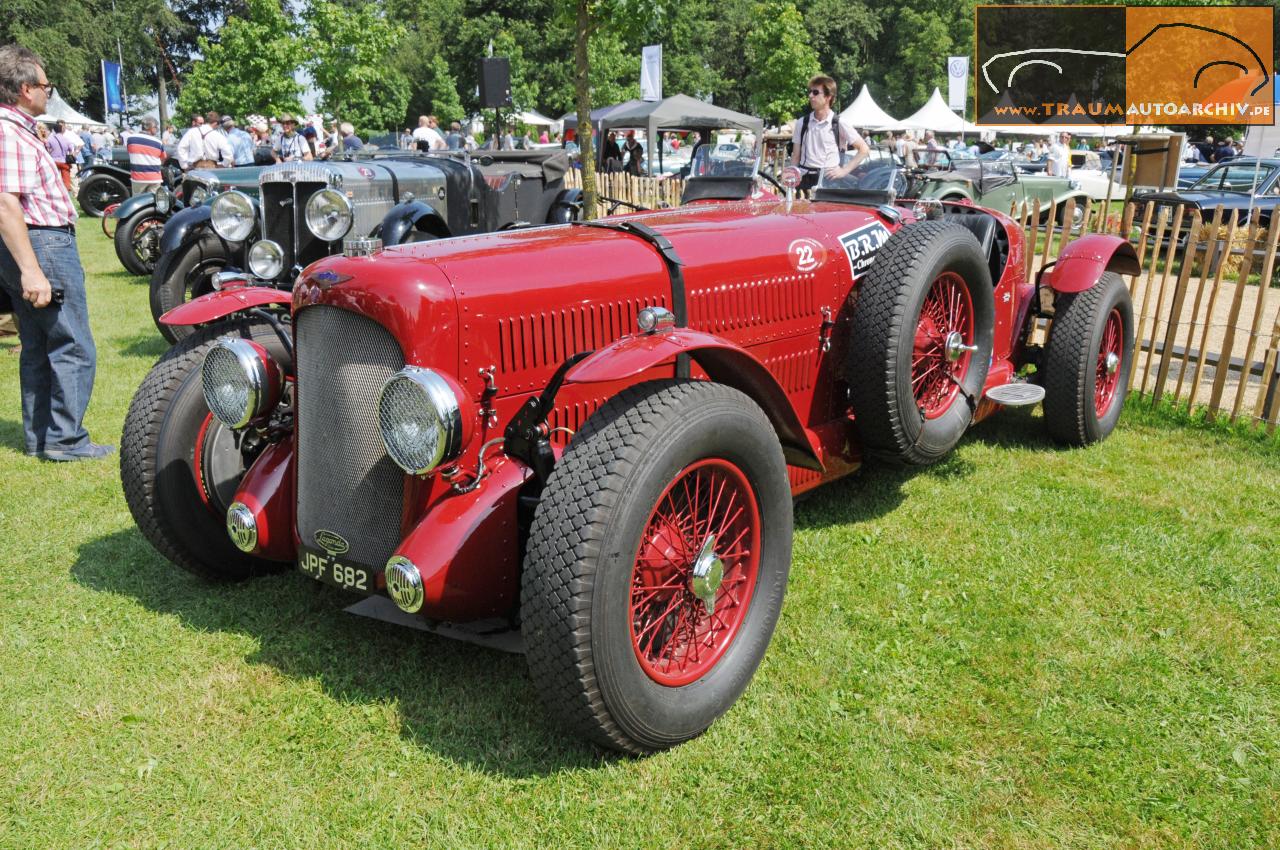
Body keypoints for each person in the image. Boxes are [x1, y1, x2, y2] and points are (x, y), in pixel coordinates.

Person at [0, 45, 111, 461]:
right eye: (46, 85)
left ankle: (41, 436)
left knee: (37, 345)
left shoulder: (17, 128)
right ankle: (65, 440)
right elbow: (5, 203)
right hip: (41, 243)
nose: (49, 92)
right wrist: (31, 270)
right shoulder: (8, 131)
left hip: (32, 244)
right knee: (73, 345)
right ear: (26, 88)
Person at [789, 74, 870, 189]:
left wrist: (844, 171)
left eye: (816, 92)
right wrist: (792, 177)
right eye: (810, 92)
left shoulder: (839, 122)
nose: (810, 96)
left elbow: (864, 149)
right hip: (804, 180)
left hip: (829, 181)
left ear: (828, 97)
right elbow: (796, 156)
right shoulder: (802, 123)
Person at [123, 116, 165, 195]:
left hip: (138, 177)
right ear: (150, 128)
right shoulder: (158, 142)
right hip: (155, 178)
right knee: (154, 202)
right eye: (156, 127)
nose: (157, 130)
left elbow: (130, 151)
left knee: (138, 202)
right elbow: (163, 157)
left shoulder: (131, 139)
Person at [43, 119, 77, 191]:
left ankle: (53, 189)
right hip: (63, 161)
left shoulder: (50, 139)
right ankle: (67, 190)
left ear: (54, 130)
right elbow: (71, 149)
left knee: (52, 177)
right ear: (62, 130)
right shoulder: (66, 139)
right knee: (66, 176)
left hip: (53, 161)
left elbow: (47, 148)